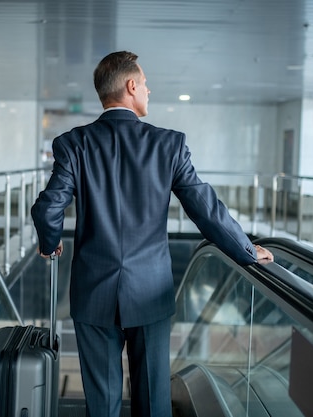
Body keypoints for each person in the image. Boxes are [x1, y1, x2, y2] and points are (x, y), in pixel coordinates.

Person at [31, 51, 274, 417]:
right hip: (150, 292)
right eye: (145, 84)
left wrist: (49, 245)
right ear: (131, 86)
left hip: (93, 292)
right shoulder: (169, 145)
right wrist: (246, 250)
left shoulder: (74, 144)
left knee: (101, 403)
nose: (148, 90)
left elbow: (48, 208)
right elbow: (205, 210)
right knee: (153, 401)